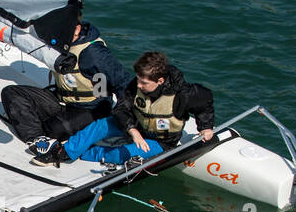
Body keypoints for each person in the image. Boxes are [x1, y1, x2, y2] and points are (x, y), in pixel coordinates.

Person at [32, 51, 215, 167]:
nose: (139, 85)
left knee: (121, 155)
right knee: (102, 125)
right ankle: (64, 152)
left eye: (144, 82)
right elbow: (121, 108)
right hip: (135, 125)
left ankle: (87, 154)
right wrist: (132, 130)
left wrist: (206, 127)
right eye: (138, 80)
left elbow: (205, 103)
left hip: (160, 141)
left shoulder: (185, 93)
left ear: (160, 81)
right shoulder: (135, 86)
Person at [0, 19, 134, 156]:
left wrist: (126, 121)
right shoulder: (58, 43)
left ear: (77, 29)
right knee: (11, 93)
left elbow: (125, 84)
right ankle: (38, 139)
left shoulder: (95, 54)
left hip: (92, 109)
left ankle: (38, 130)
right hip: (63, 100)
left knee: (54, 128)